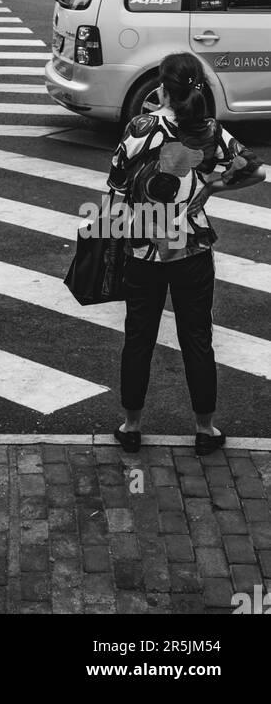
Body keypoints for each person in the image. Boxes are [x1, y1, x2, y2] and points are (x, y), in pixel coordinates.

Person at [107, 53, 265, 456]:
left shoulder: (139, 128)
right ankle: (204, 429)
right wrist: (211, 187)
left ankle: (132, 426)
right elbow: (255, 170)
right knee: (197, 338)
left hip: (143, 252)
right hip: (192, 251)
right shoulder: (209, 131)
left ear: (162, 87)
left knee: (138, 337)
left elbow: (116, 191)